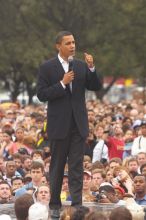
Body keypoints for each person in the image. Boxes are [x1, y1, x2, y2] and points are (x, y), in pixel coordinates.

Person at [37, 30, 103, 218]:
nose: (72, 46)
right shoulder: (47, 67)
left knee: (76, 166)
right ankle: (55, 205)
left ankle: (77, 205)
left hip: (78, 124)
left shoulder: (81, 65)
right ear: (58, 46)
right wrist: (62, 83)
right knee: (57, 165)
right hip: (59, 125)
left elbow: (95, 85)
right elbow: (41, 94)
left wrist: (91, 68)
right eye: (68, 43)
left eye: (74, 42)